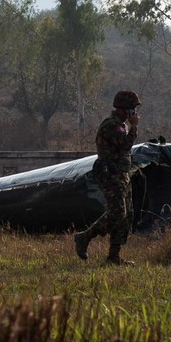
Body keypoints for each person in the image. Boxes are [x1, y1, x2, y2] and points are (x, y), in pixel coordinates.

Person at [74, 90, 142, 266]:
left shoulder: (121, 125)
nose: (133, 113)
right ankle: (85, 237)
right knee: (117, 212)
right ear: (122, 109)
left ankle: (114, 256)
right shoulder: (111, 125)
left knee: (126, 216)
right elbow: (126, 144)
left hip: (121, 174)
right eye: (131, 109)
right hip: (110, 174)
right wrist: (134, 127)